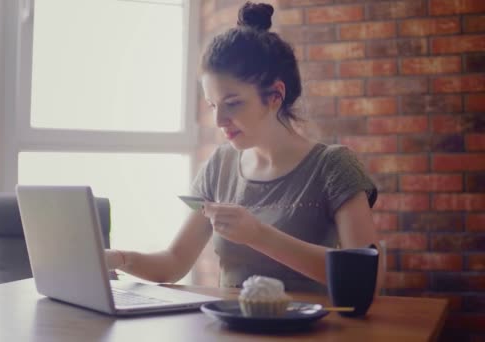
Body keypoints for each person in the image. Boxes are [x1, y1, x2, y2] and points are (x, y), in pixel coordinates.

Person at [105, 1, 381, 293]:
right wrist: (118, 259)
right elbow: (173, 263)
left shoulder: (333, 166)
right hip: (230, 331)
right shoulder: (219, 165)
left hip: (310, 333)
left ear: (275, 95)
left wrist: (258, 235)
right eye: (212, 105)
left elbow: (366, 279)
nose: (219, 119)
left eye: (232, 103)